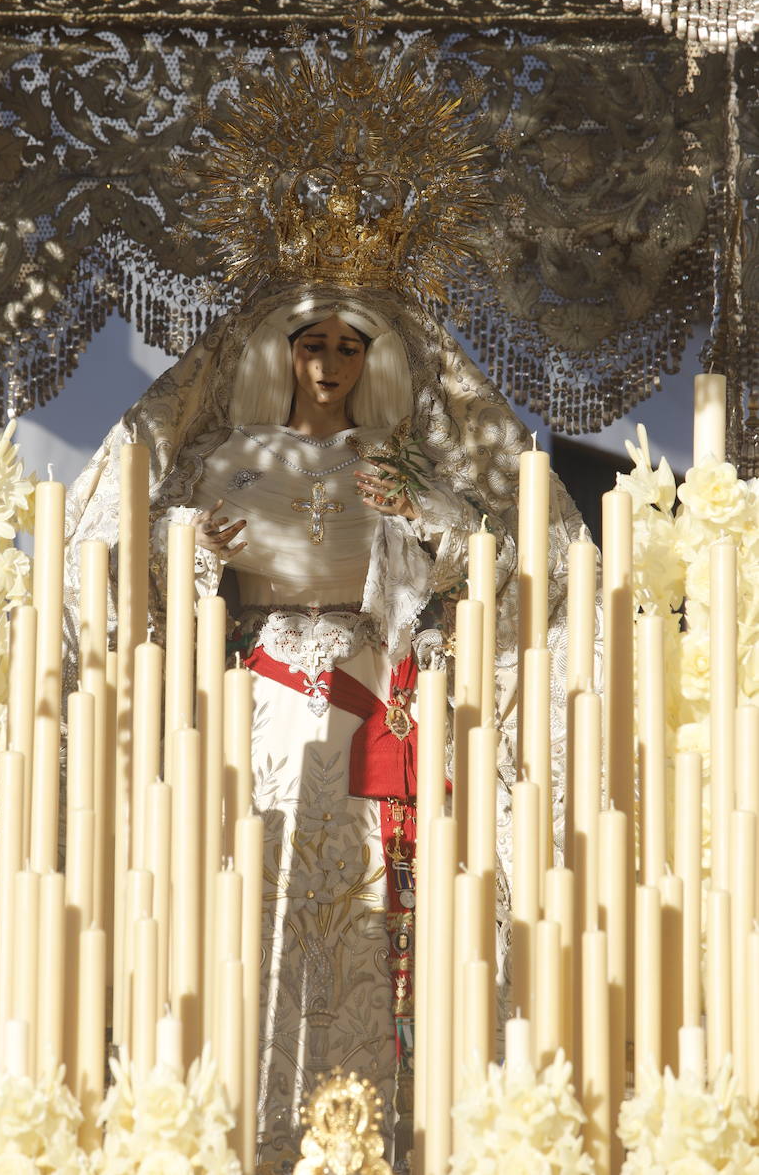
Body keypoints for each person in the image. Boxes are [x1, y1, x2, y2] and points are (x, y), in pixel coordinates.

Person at [64, 278, 583, 1170]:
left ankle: (392, 1110)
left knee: (380, 886)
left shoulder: (398, 458)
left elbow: (474, 555)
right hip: (261, 698)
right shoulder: (233, 455)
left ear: (371, 362)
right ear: (286, 355)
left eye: (351, 348)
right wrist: (195, 547)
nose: (332, 365)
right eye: (316, 345)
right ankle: (247, 1103)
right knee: (255, 876)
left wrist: (418, 514)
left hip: (370, 682)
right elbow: (154, 565)